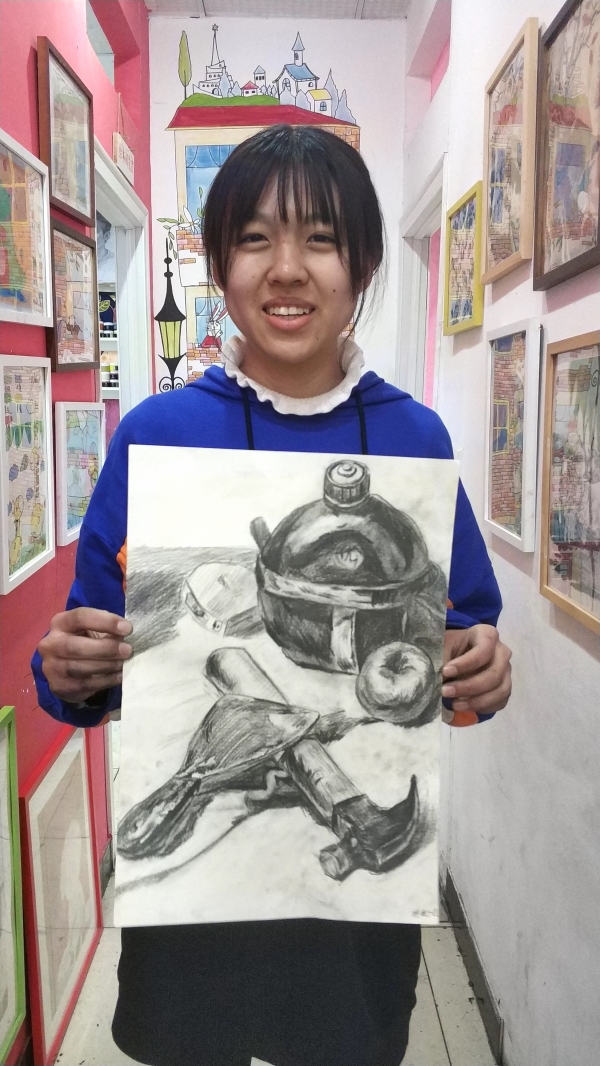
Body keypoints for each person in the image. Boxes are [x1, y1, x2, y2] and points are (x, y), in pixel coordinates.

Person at [33, 125, 512, 1066]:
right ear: (219, 263)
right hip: (194, 922)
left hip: (354, 925)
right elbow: (90, 669)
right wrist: (71, 667)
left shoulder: (414, 440)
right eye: (255, 238)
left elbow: (461, 642)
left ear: (362, 263)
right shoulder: (158, 436)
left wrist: (482, 674)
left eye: (321, 240)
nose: (287, 268)